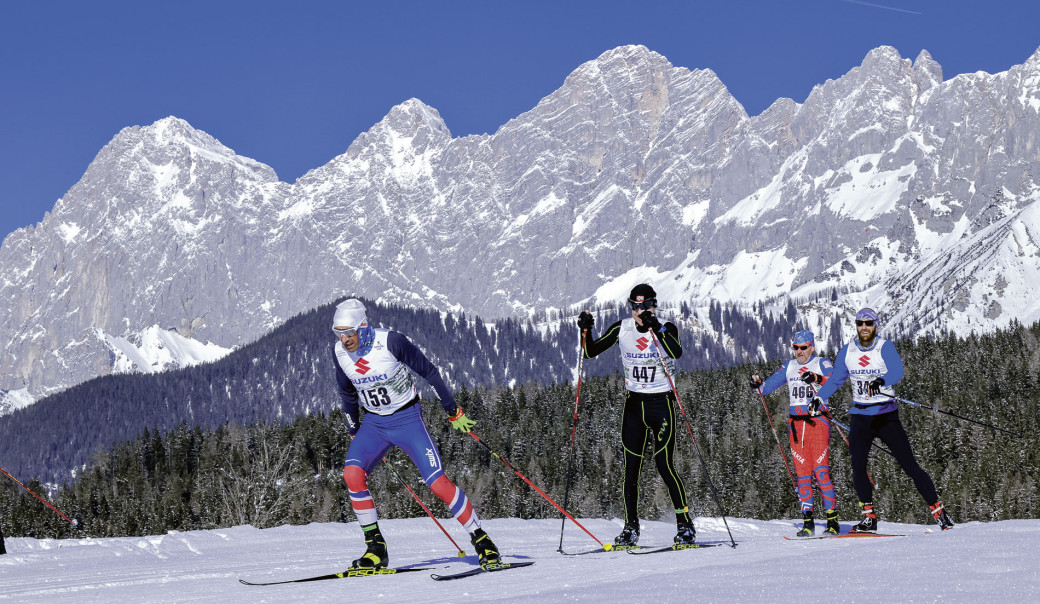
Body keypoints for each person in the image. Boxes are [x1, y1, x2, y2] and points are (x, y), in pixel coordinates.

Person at [332, 298, 501, 568]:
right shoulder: (340, 352)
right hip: (374, 425)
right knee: (352, 474)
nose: (344, 339)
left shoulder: (391, 342)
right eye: (338, 333)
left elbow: (429, 371)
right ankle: (376, 549)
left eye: (349, 332)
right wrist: (353, 428)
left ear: (362, 327)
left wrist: (452, 409)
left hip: (407, 420)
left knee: (437, 483)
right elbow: (346, 391)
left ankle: (482, 540)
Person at [810, 308, 954, 532]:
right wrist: (820, 397)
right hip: (860, 417)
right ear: (856, 325)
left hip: (886, 416)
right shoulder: (847, 351)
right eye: (860, 323)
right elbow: (836, 378)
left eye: (868, 323)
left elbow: (897, 371)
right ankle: (869, 518)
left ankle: (939, 512)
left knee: (909, 465)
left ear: (876, 325)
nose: (864, 327)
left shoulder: (884, 347)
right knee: (857, 467)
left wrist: (882, 379)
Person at [577, 283, 695, 547]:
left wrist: (655, 327)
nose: (639, 311)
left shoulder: (666, 327)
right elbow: (590, 352)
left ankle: (685, 525)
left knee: (664, 465)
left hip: (661, 404)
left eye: (644, 306)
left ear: (654, 305)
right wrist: (585, 330)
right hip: (634, 406)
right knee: (631, 471)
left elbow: (676, 352)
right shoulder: (623, 328)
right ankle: (631, 528)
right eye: (634, 306)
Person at [750, 329, 839, 536]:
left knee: (821, 472)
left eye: (803, 348)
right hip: (796, 427)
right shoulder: (789, 367)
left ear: (812, 347)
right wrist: (756, 385)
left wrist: (817, 378)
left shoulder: (822, 363)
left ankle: (832, 521)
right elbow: (764, 389)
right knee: (802, 475)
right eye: (796, 348)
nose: (799, 352)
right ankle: (808, 523)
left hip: (818, 422)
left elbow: (835, 383)